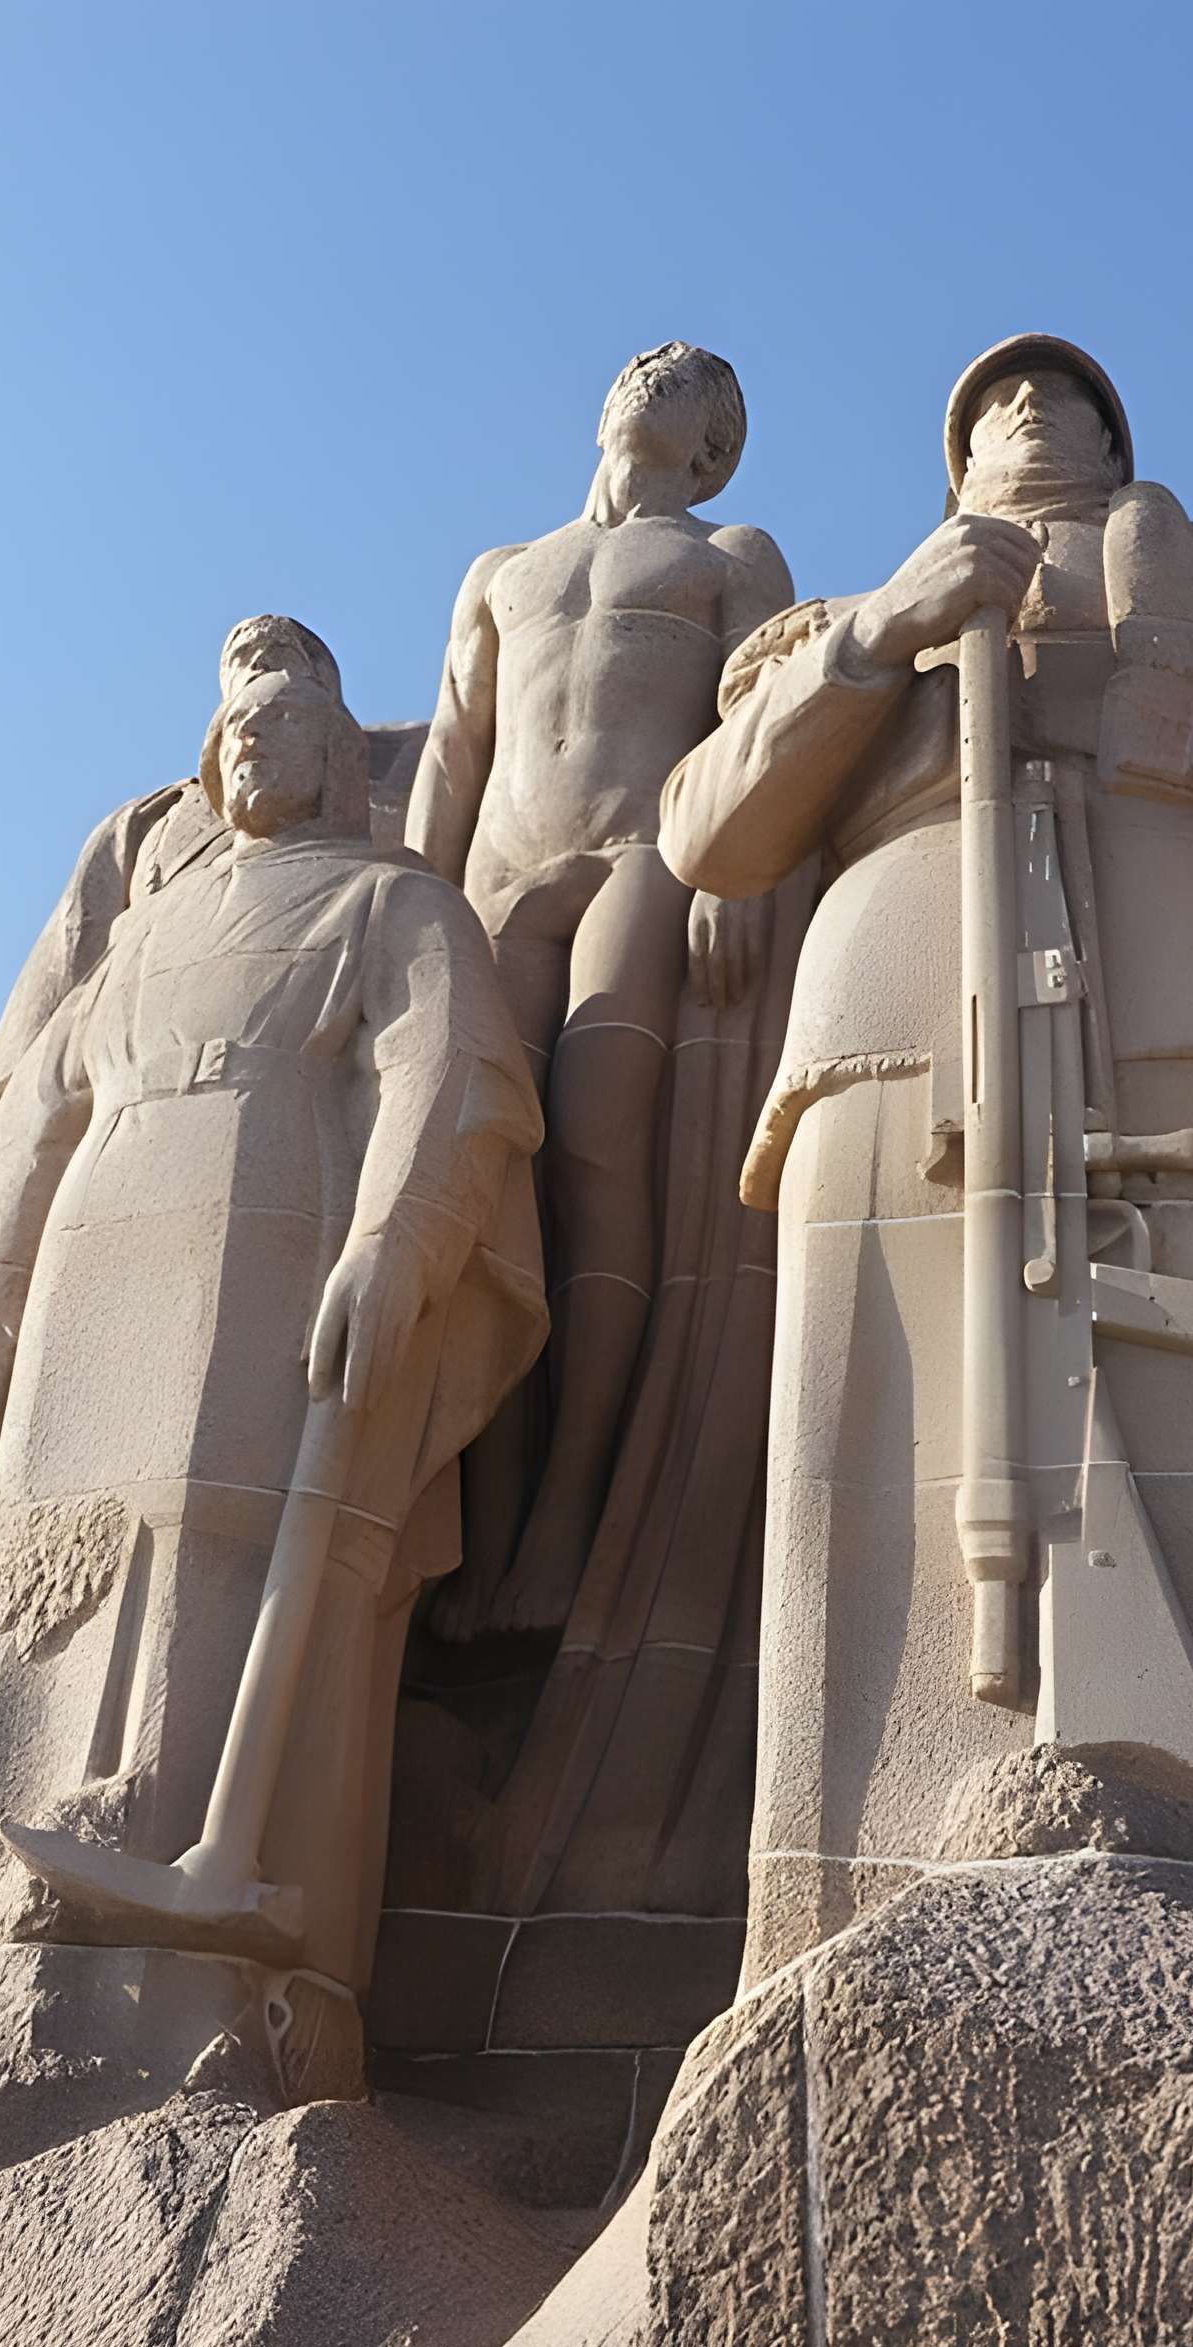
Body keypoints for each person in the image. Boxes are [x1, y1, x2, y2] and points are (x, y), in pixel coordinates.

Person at [662, 335, 1193, 1987]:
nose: (1025, 410)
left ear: (1111, 429)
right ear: (953, 463)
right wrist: (879, 635)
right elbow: (707, 831)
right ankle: (834, 1948)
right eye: (993, 400)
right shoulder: (850, 621)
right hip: (903, 1023)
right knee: (882, 1455)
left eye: (1057, 393)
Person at [0, 628, 545, 2092]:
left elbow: (453, 1082)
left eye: (284, 722)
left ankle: (247, 1986)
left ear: (340, 759)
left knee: (237, 1550)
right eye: (234, 727)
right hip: (100, 1259)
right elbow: (33, 1136)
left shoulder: (396, 904)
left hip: (278, 1243)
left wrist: (396, 1246)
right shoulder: (137, 940)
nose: (250, 741)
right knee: (47, 1587)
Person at [407, 341, 793, 1629]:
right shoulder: (501, 572)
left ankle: (575, 1513)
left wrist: (741, 875)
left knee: (592, 1147)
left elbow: (759, 725)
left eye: (685, 381)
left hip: (641, 857)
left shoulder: (731, 556)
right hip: (505, 882)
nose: (650, 379)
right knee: (474, 1174)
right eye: (642, 369)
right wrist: (400, 921)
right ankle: (488, 1521)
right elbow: (454, 760)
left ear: (712, 443)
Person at [0, 614, 346, 1108]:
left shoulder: (386, 794)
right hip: (137, 1048)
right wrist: (3, 1096)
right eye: (241, 661)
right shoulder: (151, 821)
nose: (258, 665)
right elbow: (70, 960)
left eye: (285, 655)